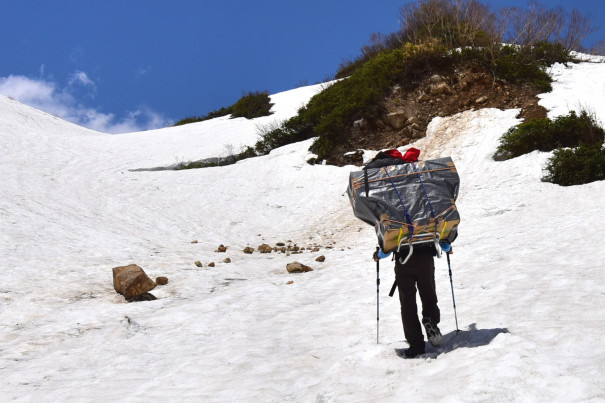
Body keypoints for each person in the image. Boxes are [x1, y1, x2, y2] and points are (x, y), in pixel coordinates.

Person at [374, 242, 451, 358]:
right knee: (429, 295)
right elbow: (441, 237)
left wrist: (378, 255)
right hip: (426, 258)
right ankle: (431, 320)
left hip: (403, 261)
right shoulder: (426, 222)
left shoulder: (395, 222)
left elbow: (387, 248)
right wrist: (448, 248)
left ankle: (416, 345)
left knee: (407, 303)